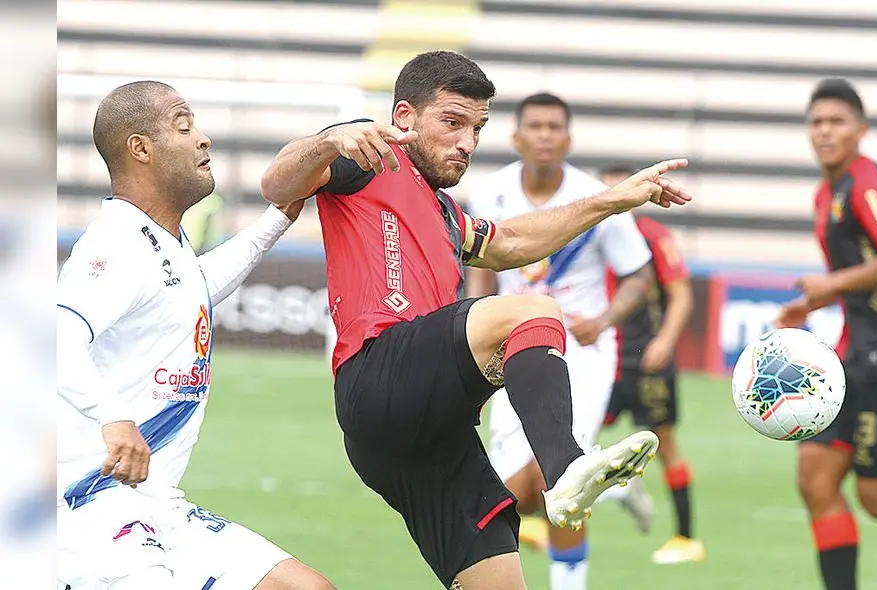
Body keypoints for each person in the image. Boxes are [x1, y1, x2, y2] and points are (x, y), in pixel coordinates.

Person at [260, 50, 692, 590]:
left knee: (501, 581)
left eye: (477, 128)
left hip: (425, 432)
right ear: (403, 118)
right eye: (453, 122)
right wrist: (328, 140)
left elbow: (511, 242)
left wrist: (610, 200)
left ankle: (561, 478)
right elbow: (276, 184)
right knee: (533, 310)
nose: (466, 142)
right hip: (379, 376)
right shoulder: (366, 161)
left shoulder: (443, 212)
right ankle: (565, 470)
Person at [56, 81, 336, 590]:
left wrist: (277, 219)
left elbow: (194, 288)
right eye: (184, 127)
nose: (203, 138)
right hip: (90, 501)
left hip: (156, 501)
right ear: (139, 148)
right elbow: (56, 337)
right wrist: (114, 419)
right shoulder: (115, 245)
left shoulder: (161, 242)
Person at [462, 93, 657, 590]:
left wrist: (605, 317)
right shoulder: (490, 193)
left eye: (555, 127)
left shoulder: (597, 198)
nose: (545, 135)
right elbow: (480, 275)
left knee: (560, 481)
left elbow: (639, 276)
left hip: (581, 352)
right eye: (536, 126)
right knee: (517, 493)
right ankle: (610, 488)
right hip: (510, 347)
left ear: (568, 139)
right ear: (517, 136)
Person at [775, 78, 877, 590]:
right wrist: (813, 302)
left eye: (837, 121)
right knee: (815, 479)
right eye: (817, 122)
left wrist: (830, 284)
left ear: (860, 130)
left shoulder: (868, 185)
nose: (825, 131)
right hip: (852, 361)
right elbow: (864, 274)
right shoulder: (828, 192)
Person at [597, 165, 704, 565]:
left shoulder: (655, 237)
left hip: (647, 359)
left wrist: (665, 341)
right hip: (602, 358)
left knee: (666, 444)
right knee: (572, 435)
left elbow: (680, 295)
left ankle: (687, 538)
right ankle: (616, 492)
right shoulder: (589, 233)